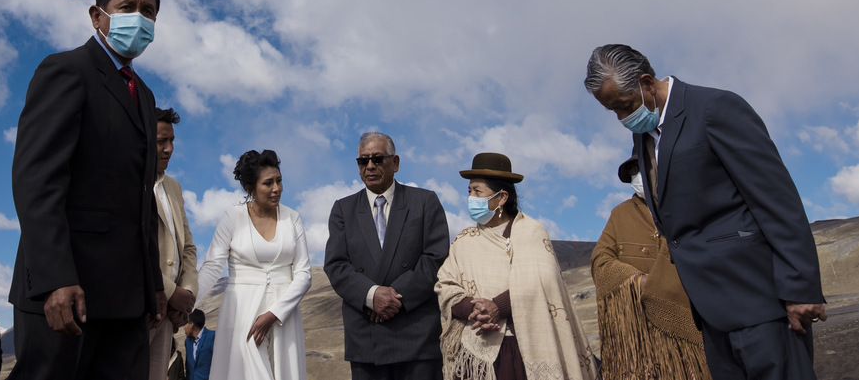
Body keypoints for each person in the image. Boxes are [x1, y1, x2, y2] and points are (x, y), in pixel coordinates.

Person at [584, 44, 826, 380]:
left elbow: (776, 199)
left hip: (759, 301)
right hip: (710, 315)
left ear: (647, 82)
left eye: (625, 106)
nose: (622, 119)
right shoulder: (645, 137)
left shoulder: (715, 108)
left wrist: (801, 287)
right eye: (613, 111)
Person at [9, 0, 166, 379]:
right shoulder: (66, 71)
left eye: (148, 11)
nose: (140, 18)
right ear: (98, 16)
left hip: (128, 302)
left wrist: (153, 287)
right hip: (66, 295)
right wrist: (55, 279)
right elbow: (37, 181)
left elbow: (142, 201)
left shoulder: (145, 97)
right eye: (127, 6)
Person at [435, 153, 597, 380]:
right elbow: (445, 284)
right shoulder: (464, 240)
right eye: (469, 191)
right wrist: (476, 310)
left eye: (477, 191)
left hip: (521, 349)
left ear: (501, 197)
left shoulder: (531, 232)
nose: (471, 197)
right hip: (475, 353)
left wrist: (497, 307)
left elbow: (541, 282)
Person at [324, 132, 450, 380]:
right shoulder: (343, 209)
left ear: (396, 163)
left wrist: (393, 298)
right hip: (366, 338)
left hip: (417, 335)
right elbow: (336, 265)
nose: (370, 166)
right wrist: (372, 296)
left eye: (378, 159)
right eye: (363, 161)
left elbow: (436, 257)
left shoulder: (425, 202)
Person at [592, 153, 711, 380]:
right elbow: (601, 261)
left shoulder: (687, 208)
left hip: (689, 324)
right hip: (639, 332)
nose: (638, 176)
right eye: (633, 171)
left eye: (643, 168)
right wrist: (636, 281)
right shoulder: (620, 214)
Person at [195, 150, 312, 380]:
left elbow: (304, 274)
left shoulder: (293, 218)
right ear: (250, 188)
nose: (276, 188)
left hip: (283, 316)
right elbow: (212, 267)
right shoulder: (232, 218)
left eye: (279, 180)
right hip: (240, 316)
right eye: (268, 183)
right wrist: (186, 305)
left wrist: (274, 313)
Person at [150, 107, 199, 380]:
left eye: (172, 142)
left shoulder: (174, 187)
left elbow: (188, 248)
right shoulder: (129, 181)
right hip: (141, 306)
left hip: (169, 316)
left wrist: (187, 294)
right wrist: (170, 292)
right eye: (160, 142)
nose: (168, 149)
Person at [184, 309, 215, 380]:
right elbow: (188, 369)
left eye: (185, 324)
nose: (184, 327)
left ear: (191, 324)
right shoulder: (187, 342)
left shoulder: (212, 337)